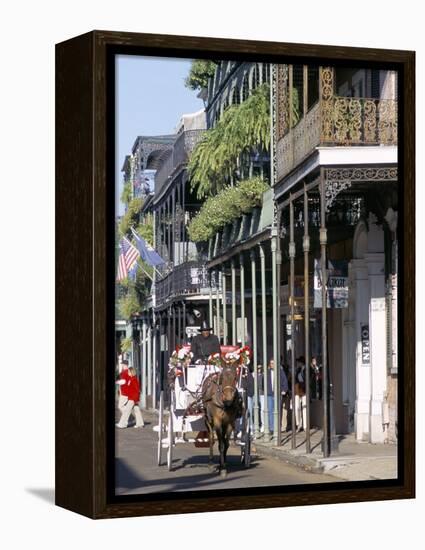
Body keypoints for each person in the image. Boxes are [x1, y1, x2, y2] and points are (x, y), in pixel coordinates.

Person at [294, 357, 307, 432]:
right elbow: (295, 379)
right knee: (297, 407)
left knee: (304, 408)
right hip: (297, 389)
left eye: (298, 362)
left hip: (304, 390)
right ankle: (298, 424)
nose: (298, 363)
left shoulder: (306, 369)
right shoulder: (297, 370)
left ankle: (305, 426)